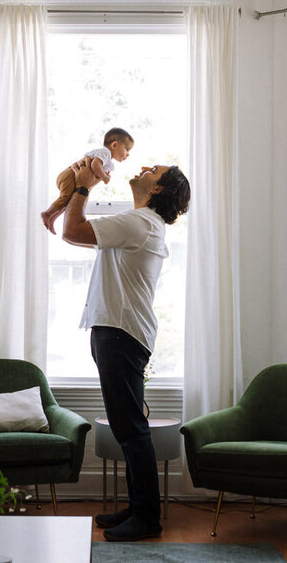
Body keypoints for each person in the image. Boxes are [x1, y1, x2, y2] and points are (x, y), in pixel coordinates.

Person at [62, 158, 191, 541]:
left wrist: (84, 186)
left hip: (121, 334)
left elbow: (72, 231)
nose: (144, 167)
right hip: (116, 332)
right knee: (127, 426)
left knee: (132, 430)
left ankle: (147, 518)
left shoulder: (139, 223)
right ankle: (138, 508)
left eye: (154, 170)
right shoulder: (137, 222)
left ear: (157, 190)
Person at [40, 127, 134, 234]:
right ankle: (47, 214)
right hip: (69, 176)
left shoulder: (107, 159)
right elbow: (95, 164)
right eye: (127, 149)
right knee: (65, 198)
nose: (128, 154)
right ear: (114, 145)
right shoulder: (105, 152)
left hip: (73, 177)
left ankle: (52, 218)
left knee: (68, 202)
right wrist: (104, 177)